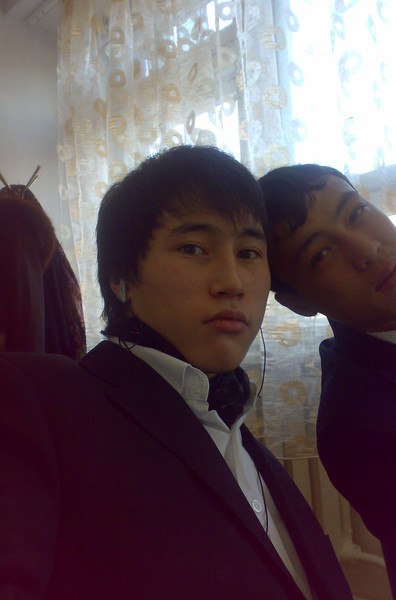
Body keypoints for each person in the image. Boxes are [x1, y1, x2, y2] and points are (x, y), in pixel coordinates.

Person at [0, 146, 352, 600]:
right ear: (121, 279)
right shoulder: (39, 399)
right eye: (193, 248)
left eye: (249, 252)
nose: (232, 282)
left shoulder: (243, 438)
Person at [259, 163, 396, 599]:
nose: (366, 249)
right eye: (320, 254)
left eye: (356, 212)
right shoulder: (357, 426)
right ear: (299, 302)